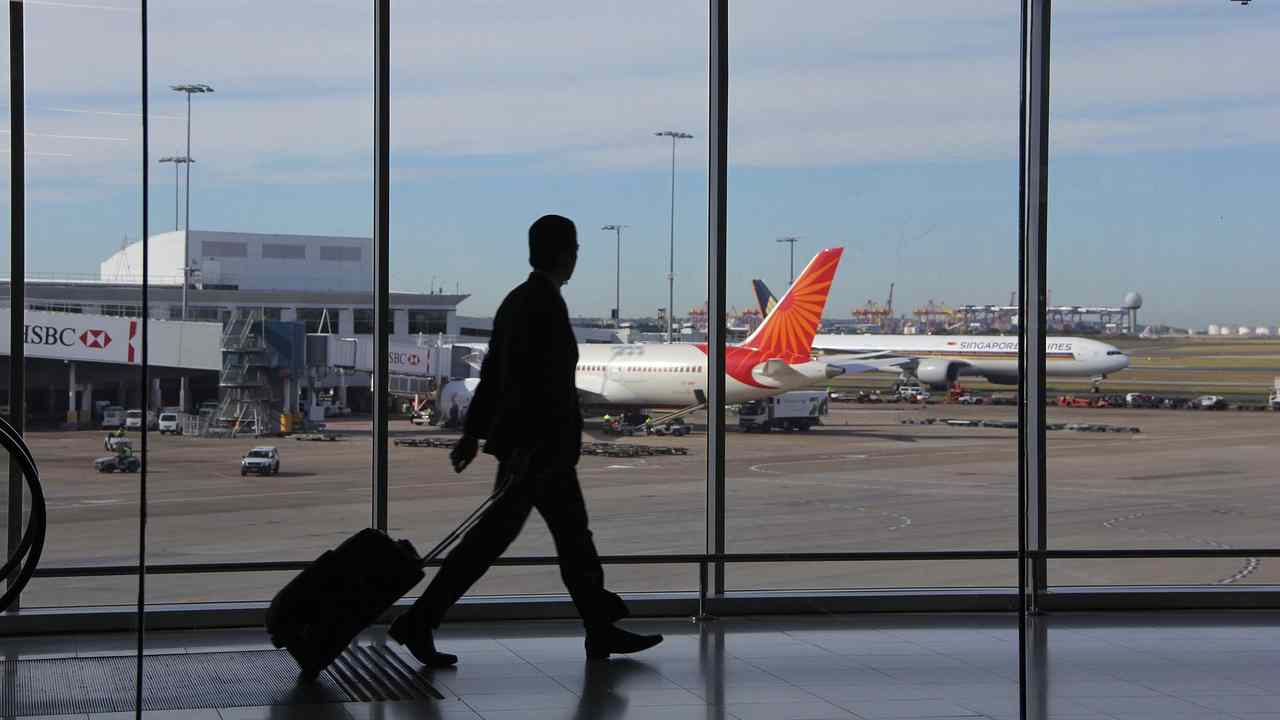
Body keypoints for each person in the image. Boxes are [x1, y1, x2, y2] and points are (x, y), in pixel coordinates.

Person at [389, 214, 663, 666]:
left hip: (535, 448)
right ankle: (420, 620)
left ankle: (599, 628)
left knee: (563, 540)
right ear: (563, 254)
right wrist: (512, 444)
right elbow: (533, 384)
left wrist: (474, 435)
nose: (576, 257)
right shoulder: (542, 304)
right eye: (574, 248)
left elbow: (495, 373)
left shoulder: (521, 301)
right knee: (514, 542)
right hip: (538, 451)